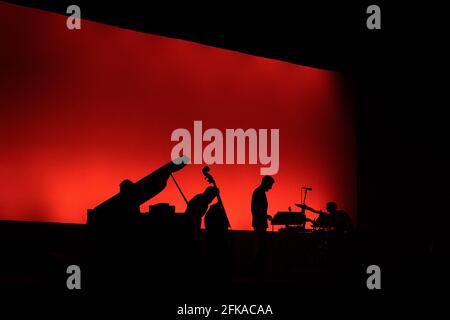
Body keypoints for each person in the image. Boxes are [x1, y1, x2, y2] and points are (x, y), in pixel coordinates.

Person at [251, 176, 275, 263]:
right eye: (270, 185)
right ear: (266, 183)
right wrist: (265, 216)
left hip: (259, 223)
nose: (271, 187)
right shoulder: (259, 192)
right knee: (260, 247)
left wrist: (265, 216)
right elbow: (256, 210)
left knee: (260, 247)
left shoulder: (259, 192)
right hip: (259, 223)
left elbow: (257, 209)